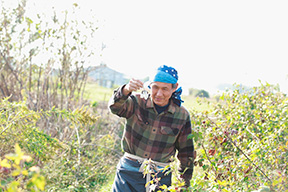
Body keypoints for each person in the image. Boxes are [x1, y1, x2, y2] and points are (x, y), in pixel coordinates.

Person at [109, 65, 194, 192]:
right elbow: (115, 107)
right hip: (128, 174)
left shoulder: (181, 115)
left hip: (159, 179)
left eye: (165, 89)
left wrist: (183, 184)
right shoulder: (137, 102)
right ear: (150, 85)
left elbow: (186, 154)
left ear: (174, 87)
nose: (159, 94)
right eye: (155, 87)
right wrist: (126, 90)